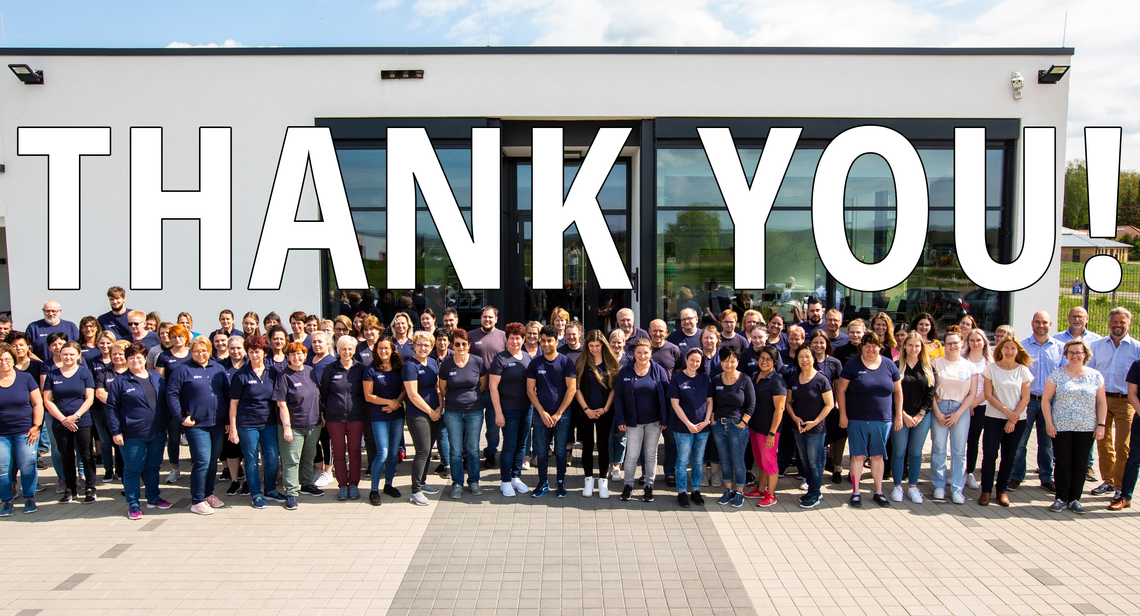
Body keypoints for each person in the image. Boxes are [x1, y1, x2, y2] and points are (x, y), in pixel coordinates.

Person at [835, 331, 902, 508]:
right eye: (867, 345)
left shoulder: (889, 365)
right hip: (856, 419)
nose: (870, 349)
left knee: (878, 456)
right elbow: (840, 390)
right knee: (857, 456)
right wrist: (843, 414)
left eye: (874, 346)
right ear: (861, 347)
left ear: (880, 347)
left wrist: (899, 416)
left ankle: (878, 491)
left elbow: (898, 391)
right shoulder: (852, 364)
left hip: (882, 420)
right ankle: (856, 492)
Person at [106, 341, 172, 519]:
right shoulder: (120, 381)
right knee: (133, 470)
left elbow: (164, 402)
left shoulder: (155, 377)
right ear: (126, 360)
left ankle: (153, 497)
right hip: (132, 435)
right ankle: (133, 504)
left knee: (152, 467)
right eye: (131, 358)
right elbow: (111, 408)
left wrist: (165, 423)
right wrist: (115, 432)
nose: (135, 361)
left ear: (144, 359)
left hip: (156, 432)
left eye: (139, 357)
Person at [1042, 339, 1107, 514]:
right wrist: (1049, 422)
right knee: (1062, 463)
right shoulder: (1057, 375)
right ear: (1066, 354)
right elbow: (1046, 399)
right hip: (1061, 426)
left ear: (1085, 354)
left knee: (1080, 464)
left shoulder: (1095, 376)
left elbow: (1101, 402)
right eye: (1071, 352)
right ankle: (1061, 498)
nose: (1075, 356)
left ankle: (1075, 499)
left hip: (1086, 427)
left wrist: (1101, 425)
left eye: (1078, 352)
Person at [166, 337, 229, 516]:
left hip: (216, 423)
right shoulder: (182, 370)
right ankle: (197, 500)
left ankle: (208, 494)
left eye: (204, 351)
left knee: (212, 461)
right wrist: (180, 417)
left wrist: (227, 420)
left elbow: (226, 393)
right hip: (195, 424)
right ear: (191, 352)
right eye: (196, 351)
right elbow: (172, 394)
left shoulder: (218, 368)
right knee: (201, 461)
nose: (200, 354)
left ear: (209, 351)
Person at [1087, 307, 1139, 500]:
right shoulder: (1097, 346)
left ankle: (1120, 485)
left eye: (1122, 322)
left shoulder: (1137, 348)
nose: (1118, 325)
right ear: (1109, 323)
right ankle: (1108, 481)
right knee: (1103, 442)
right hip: (1101, 400)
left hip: (1126, 401)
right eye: (1114, 322)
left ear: (1128, 324)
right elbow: (1090, 373)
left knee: (1123, 445)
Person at [1011, 311, 1063, 492]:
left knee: (1047, 442)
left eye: (1045, 322)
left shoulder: (1060, 348)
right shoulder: (1021, 346)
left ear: (1050, 324)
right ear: (1032, 323)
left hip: (1050, 402)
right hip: (1027, 400)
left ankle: (1047, 477)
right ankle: (1016, 476)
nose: (1041, 325)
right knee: (1020, 441)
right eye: (1038, 322)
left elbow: (1063, 375)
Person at [227, 334, 282, 509]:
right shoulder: (241, 375)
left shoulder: (273, 372)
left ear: (264, 352)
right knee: (251, 460)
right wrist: (233, 429)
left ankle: (271, 490)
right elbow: (233, 404)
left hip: (269, 423)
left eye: (257, 351)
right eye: (250, 352)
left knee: (272, 459)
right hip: (247, 425)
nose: (254, 355)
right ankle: (256, 494)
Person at [979, 337, 1033, 506]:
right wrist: (1007, 412)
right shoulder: (991, 369)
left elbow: (1025, 398)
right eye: (1006, 348)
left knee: (1009, 456)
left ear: (1018, 351)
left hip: (1017, 420)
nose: (1009, 351)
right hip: (994, 418)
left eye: (1013, 348)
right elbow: (988, 395)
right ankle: (986, 490)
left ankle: (1002, 490)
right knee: (989, 455)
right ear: (1000, 349)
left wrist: (1013, 418)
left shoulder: (1023, 371)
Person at [614, 338, 669, 502]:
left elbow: (666, 397)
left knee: (651, 455)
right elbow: (618, 396)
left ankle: (648, 486)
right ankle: (628, 485)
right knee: (631, 455)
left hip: (654, 422)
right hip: (632, 422)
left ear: (651, 353)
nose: (642, 356)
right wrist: (620, 418)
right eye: (639, 352)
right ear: (634, 353)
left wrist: (664, 418)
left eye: (646, 352)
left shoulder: (658, 371)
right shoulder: (625, 371)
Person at [526, 325, 578, 498]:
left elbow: (572, 389)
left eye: (549, 340)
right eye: (543, 341)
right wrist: (541, 412)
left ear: (557, 341)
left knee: (561, 451)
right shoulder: (535, 363)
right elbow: (530, 390)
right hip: (542, 416)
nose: (546, 344)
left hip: (562, 415)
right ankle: (543, 482)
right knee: (541, 451)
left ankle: (561, 482)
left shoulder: (565, 362)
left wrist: (558, 413)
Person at [42, 342, 96, 504]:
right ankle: (70, 489)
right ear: (60, 355)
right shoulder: (53, 375)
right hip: (61, 422)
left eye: (72, 354)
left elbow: (89, 398)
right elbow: (48, 400)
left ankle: (90, 488)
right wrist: (63, 419)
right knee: (66, 456)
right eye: (65, 354)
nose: (68, 357)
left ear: (79, 355)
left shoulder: (84, 373)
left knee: (86, 455)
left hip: (82, 420)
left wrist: (76, 415)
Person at [930, 326, 979, 504]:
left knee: (959, 451)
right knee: (939, 449)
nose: (952, 346)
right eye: (948, 343)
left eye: (955, 343)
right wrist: (937, 412)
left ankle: (957, 488)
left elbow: (972, 393)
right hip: (940, 408)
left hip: (961, 409)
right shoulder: (936, 364)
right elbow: (931, 391)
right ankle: (939, 486)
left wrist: (958, 413)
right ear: (944, 345)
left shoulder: (969, 366)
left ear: (962, 343)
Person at [274, 342, 323, 510]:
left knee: (309, 456)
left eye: (300, 354)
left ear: (304, 355)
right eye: (293, 354)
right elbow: (281, 404)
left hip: (313, 424)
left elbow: (317, 395)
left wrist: (321, 416)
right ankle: (291, 493)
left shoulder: (310, 371)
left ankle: (307, 483)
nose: (297, 357)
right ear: (287, 357)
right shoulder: (284, 376)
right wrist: (286, 426)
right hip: (293, 426)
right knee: (291, 460)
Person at [440, 328, 487, 499]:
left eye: (464, 344)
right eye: (457, 344)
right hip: (452, 412)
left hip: (474, 411)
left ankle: (474, 481)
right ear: (452, 345)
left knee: (473, 449)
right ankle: (457, 483)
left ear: (469, 345)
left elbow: (482, 385)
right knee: (456, 450)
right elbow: (443, 388)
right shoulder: (446, 364)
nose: (461, 347)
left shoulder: (478, 362)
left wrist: (470, 399)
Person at [320, 335, 367, 502]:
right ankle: (343, 485)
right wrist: (325, 412)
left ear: (354, 350)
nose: (347, 352)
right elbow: (324, 393)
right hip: (335, 418)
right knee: (338, 452)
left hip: (356, 416)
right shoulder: (330, 369)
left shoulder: (361, 369)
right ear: (337, 350)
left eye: (350, 349)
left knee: (354, 451)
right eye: (343, 349)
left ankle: (353, 484)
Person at [786, 345, 834, 509]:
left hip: (815, 429)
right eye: (801, 357)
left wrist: (815, 421)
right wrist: (794, 417)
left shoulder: (821, 380)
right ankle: (810, 490)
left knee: (815, 462)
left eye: (807, 356)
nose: (804, 360)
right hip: (798, 427)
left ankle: (815, 492)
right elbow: (788, 402)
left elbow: (829, 405)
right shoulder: (794, 379)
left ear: (813, 358)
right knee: (805, 460)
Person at [489, 323, 533, 497]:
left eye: (518, 338)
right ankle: (505, 480)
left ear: (523, 339)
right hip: (508, 410)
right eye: (512, 338)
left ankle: (516, 476)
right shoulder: (500, 359)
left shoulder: (529, 358)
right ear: (507, 339)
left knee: (522, 445)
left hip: (527, 409)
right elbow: (493, 387)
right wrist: (498, 413)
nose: (515, 341)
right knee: (509, 444)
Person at [708, 346, 754, 508]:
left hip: (737, 426)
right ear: (721, 362)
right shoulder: (716, 380)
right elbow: (711, 403)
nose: (729, 364)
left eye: (732, 361)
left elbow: (751, 404)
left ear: (738, 362)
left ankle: (739, 491)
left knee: (738, 460)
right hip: (719, 426)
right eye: (726, 361)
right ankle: (728, 490)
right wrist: (713, 421)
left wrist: (743, 423)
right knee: (725, 461)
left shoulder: (745, 380)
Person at [574, 330, 619, 498]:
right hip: (585, 411)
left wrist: (606, 408)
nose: (594, 349)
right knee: (587, 446)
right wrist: (586, 409)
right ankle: (588, 480)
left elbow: (614, 388)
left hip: (604, 412)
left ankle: (603, 482)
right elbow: (575, 388)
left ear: (603, 345)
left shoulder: (610, 362)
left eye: (597, 346)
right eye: (591, 346)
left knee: (602, 446)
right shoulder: (581, 362)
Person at [0, 343, 43, 516]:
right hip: (1, 434)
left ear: (13, 360)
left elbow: (37, 403)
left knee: (27, 464)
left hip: (25, 431)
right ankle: (6, 501)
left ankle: (29, 498)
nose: (4, 362)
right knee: (2, 468)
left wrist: (36, 426)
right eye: (0, 359)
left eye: (7, 359)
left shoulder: (25, 378)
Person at [363, 338, 407, 506]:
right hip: (379, 414)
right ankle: (374, 490)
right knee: (382, 451)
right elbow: (368, 396)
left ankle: (388, 484)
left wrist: (396, 402)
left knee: (394, 452)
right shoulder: (370, 369)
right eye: (380, 348)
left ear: (392, 349)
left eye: (386, 348)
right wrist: (389, 403)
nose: (383, 351)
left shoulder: (399, 368)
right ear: (376, 351)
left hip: (396, 414)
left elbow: (405, 389)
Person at [668, 348, 713, 508]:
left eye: (698, 361)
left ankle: (695, 490)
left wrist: (706, 421)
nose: (694, 363)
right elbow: (675, 404)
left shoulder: (705, 378)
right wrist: (688, 424)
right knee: (682, 460)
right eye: (692, 360)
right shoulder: (677, 379)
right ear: (686, 359)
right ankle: (681, 492)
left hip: (702, 428)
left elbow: (709, 401)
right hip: (683, 428)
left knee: (699, 460)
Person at [403, 330, 443, 506]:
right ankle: (415, 490)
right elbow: (412, 395)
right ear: (414, 345)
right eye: (419, 344)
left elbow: (438, 387)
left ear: (431, 346)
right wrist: (430, 411)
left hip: (435, 410)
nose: (423, 348)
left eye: (426, 345)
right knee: (422, 451)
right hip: (418, 413)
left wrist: (440, 406)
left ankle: (423, 481)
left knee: (427, 450)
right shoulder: (410, 366)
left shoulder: (433, 362)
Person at [469, 306, 506, 470]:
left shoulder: (504, 337)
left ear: (496, 319)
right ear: (481, 318)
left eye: (491, 317)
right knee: (472, 425)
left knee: (493, 425)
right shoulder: (471, 336)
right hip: (474, 389)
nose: (487, 320)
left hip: (495, 390)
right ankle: (470, 454)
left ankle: (491, 452)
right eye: (485, 317)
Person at [749, 345, 787, 507]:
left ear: (774, 362)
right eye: (762, 358)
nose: (764, 362)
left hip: (768, 430)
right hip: (755, 427)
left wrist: (772, 432)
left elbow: (780, 409)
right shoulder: (755, 375)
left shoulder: (777, 381)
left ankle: (771, 495)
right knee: (760, 462)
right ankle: (761, 488)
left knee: (770, 462)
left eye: (768, 359)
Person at [963, 329, 992, 490]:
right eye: (972, 340)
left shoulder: (989, 361)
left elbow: (990, 389)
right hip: (962, 405)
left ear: (984, 342)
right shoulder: (962, 359)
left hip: (980, 406)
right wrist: (966, 404)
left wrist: (972, 405)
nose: (975, 343)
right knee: (959, 440)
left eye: (978, 340)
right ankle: (957, 471)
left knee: (973, 440)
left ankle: (970, 472)